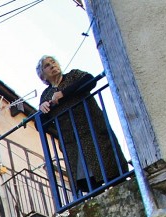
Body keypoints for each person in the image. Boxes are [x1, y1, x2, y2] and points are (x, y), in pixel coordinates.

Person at [37, 55, 127, 197]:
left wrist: (63, 94)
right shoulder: (46, 95)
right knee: (85, 174)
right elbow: (41, 125)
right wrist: (41, 110)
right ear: (43, 76)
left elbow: (90, 80)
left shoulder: (73, 75)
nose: (52, 65)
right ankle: (96, 196)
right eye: (47, 65)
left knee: (108, 161)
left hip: (93, 128)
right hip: (72, 139)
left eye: (53, 62)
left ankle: (122, 189)